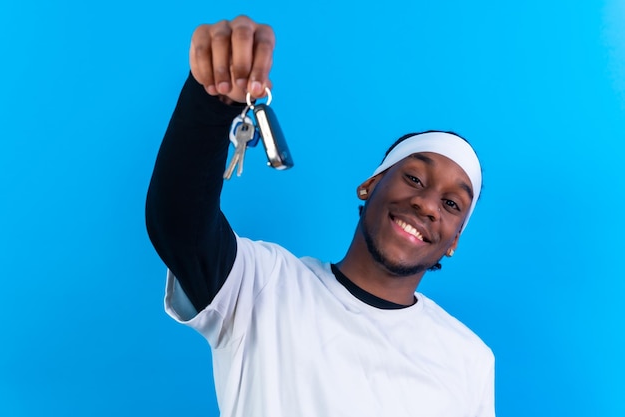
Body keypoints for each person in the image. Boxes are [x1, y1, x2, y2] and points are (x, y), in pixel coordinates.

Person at [146, 15, 495, 417]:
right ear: (369, 186)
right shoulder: (263, 286)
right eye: (414, 177)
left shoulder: (469, 358)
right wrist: (210, 102)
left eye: (452, 204)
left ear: (453, 242)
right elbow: (178, 224)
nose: (428, 204)